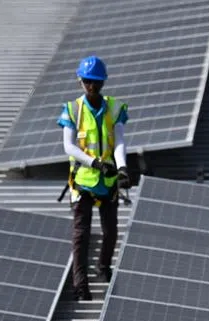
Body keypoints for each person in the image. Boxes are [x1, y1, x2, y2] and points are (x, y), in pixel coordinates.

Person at [58, 55, 130, 301]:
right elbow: (69, 146)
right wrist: (95, 163)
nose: (92, 86)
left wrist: (122, 169)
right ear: (81, 81)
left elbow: (119, 140)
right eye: (88, 81)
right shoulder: (72, 109)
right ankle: (81, 284)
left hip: (108, 182)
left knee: (110, 231)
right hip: (83, 181)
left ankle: (103, 267)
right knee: (82, 234)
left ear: (103, 83)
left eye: (96, 82)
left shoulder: (114, 107)